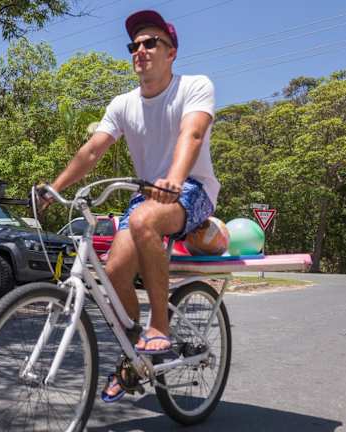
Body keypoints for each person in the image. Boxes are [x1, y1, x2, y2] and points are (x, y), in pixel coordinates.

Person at [38, 10, 220, 402]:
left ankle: (160, 328)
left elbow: (192, 134)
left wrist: (174, 178)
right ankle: (134, 356)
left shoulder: (194, 86)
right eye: (134, 45)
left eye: (151, 42)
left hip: (191, 187)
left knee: (142, 221)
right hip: (147, 195)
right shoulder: (123, 104)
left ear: (171, 52)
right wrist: (54, 188)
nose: (140, 50)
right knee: (114, 273)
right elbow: (92, 151)